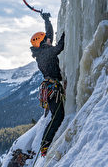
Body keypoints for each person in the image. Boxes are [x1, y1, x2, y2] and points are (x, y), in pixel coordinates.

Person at [30, 12, 65, 157]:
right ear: (43, 43)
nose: (50, 39)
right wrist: (65, 34)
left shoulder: (43, 50)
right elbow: (60, 47)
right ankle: (45, 144)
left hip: (51, 88)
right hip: (52, 89)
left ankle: (45, 142)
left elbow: (49, 34)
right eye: (47, 39)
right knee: (57, 116)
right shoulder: (45, 53)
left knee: (57, 115)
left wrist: (47, 20)